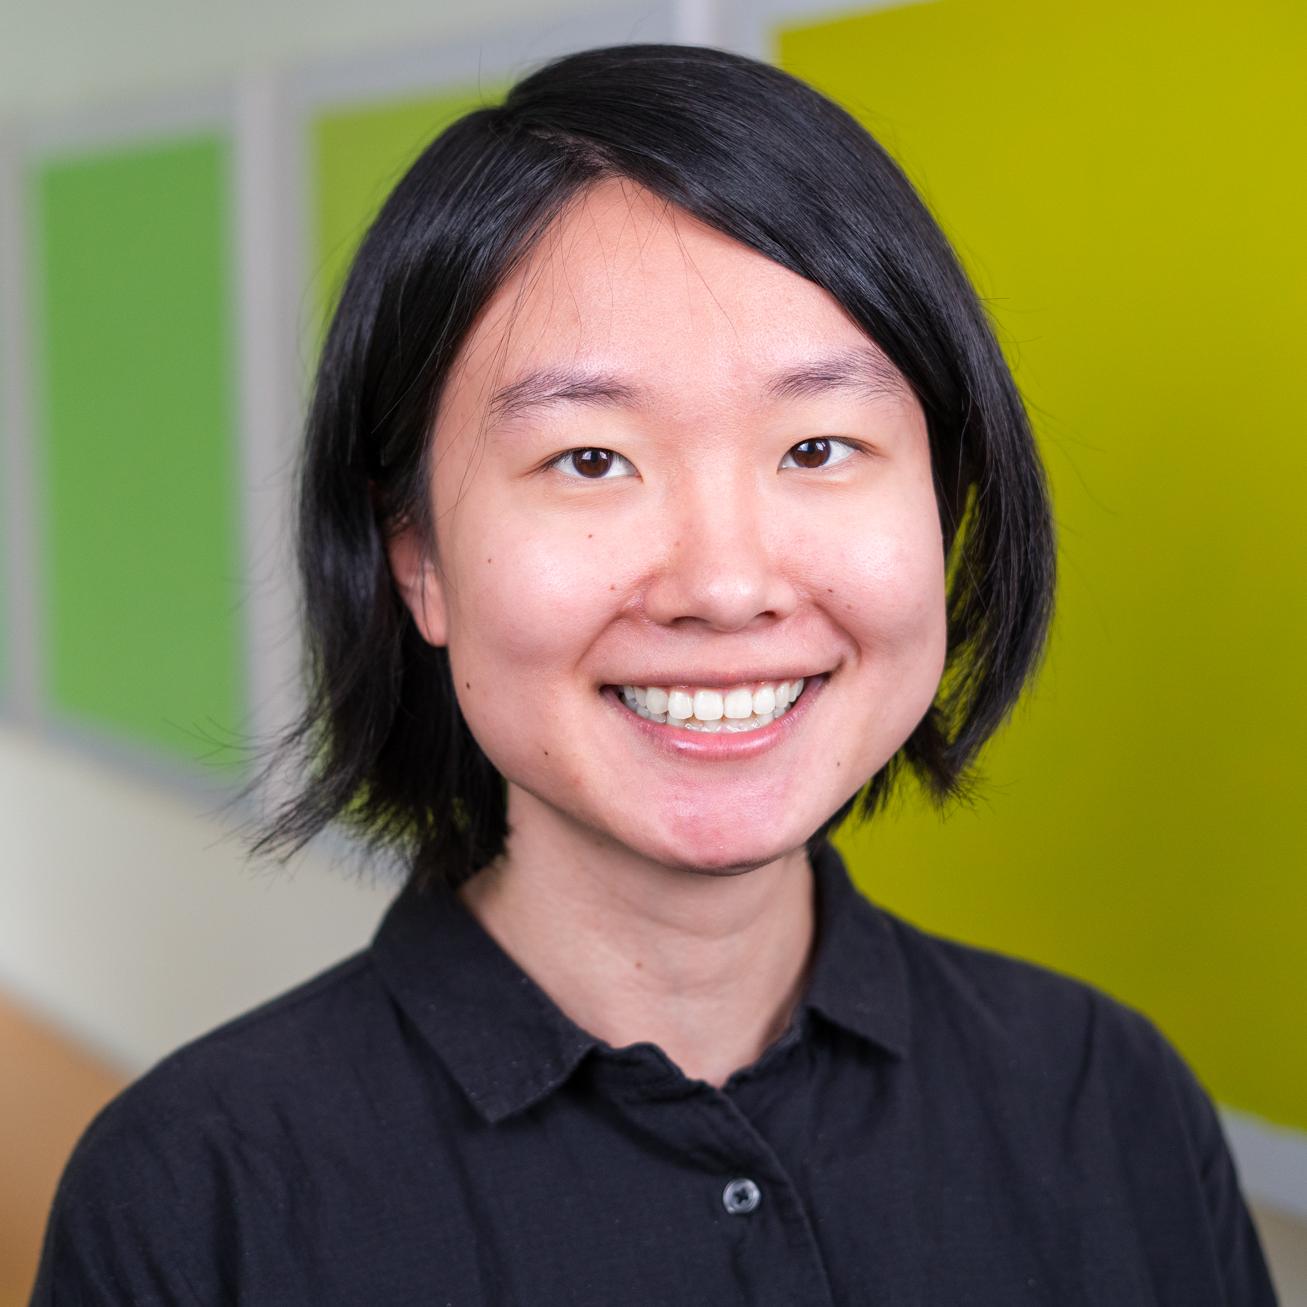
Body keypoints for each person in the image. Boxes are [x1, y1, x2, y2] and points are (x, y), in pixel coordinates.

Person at [31, 42, 1279, 1306]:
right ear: (418, 555)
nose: (725, 583)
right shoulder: (193, 1202)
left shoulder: (1104, 1101)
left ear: (946, 499)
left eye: (817, 444)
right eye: (589, 460)